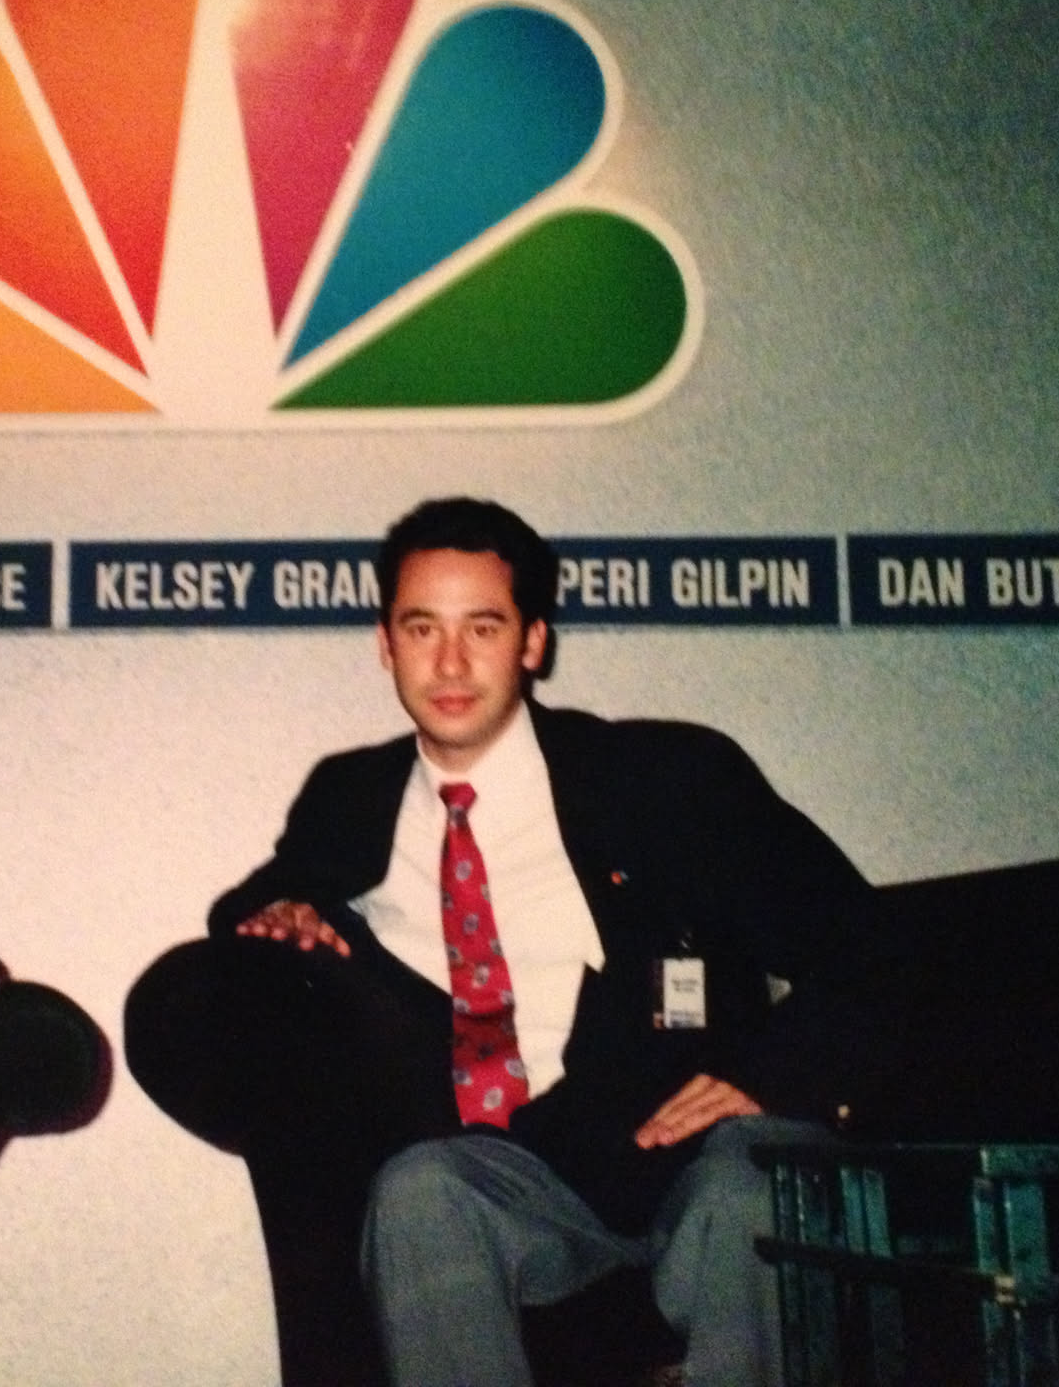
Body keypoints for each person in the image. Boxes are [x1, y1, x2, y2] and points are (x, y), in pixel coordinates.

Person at [165, 497, 891, 1387]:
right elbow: (266, 898)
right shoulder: (350, 797)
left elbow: (869, 947)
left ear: (533, 643)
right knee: (421, 1188)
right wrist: (282, 910)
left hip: (698, 1155)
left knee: (754, 1184)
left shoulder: (666, 778)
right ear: (385, 645)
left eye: (483, 627)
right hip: (523, 1179)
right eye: (422, 628)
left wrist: (772, 1073)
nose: (451, 662)